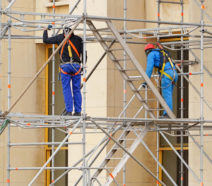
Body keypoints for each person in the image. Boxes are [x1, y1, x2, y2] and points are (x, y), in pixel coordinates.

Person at [43, 25, 83, 116]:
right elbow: (83, 53)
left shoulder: (60, 38)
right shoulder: (78, 39)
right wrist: (83, 64)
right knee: (76, 89)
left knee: (66, 89)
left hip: (65, 67)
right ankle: (78, 111)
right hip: (76, 67)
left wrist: (45, 30)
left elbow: (45, 40)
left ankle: (69, 111)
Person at [142, 43, 178, 118]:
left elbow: (149, 69)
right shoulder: (162, 52)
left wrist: (146, 81)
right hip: (174, 74)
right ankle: (168, 113)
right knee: (169, 95)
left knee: (166, 96)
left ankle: (167, 114)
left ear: (147, 51)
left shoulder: (151, 54)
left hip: (167, 75)